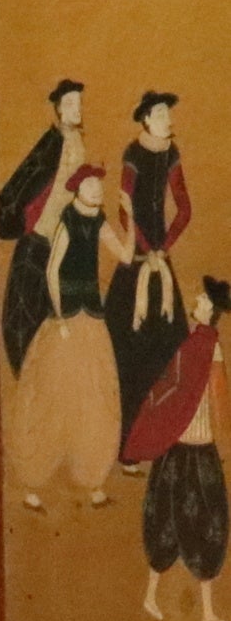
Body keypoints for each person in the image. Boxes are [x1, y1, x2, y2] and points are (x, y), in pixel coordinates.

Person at [9, 168, 128, 508]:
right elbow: (51, 271)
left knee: (95, 395)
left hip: (92, 319)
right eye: (91, 184)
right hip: (66, 320)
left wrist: (131, 216)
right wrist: (60, 317)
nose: (98, 189)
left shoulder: (98, 221)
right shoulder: (69, 220)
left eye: (99, 184)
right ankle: (33, 483)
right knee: (51, 395)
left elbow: (124, 255)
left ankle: (92, 482)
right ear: (78, 189)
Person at [128, 277, 231, 621]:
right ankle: (151, 597)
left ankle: (207, 610)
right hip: (180, 448)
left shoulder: (209, 349)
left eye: (202, 300)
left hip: (199, 449)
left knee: (207, 525)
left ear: (211, 310)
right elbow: (171, 386)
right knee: (165, 521)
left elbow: (218, 402)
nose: (197, 301)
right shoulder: (192, 342)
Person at [0, 79, 90, 376]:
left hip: (61, 243)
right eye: (70, 104)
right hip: (36, 240)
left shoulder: (78, 144)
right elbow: (25, 180)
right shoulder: (52, 142)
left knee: (56, 318)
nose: (76, 109)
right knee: (24, 313)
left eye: (79, 103)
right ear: (59, 109)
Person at [117, 92, 193, 450]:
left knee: (171, 350)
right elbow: (124, 211)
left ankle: (165, 442)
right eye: (160, 113)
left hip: (159, 260)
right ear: (146, 118)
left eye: (167, 113)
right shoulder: (133, 154)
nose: (167, 118)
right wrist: (148, 251)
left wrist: (163, 249)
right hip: (136, 261)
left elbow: (184, 208)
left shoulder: (170, 153)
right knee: (129, 352)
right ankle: (129, 445)